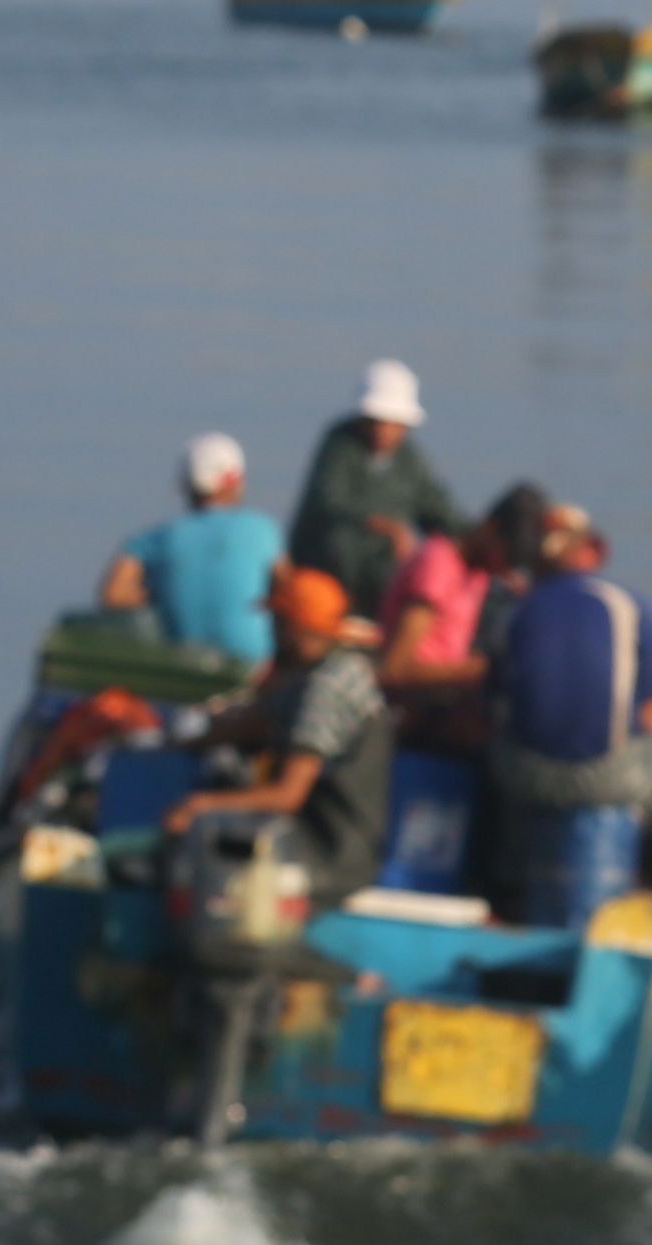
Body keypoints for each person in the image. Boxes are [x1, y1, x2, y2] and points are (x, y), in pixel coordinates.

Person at [487, 499, 652, 918]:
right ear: (593, 551)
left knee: (499, 740)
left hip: (528, 781)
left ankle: (505, 883)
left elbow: (499, 697)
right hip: (607, 780)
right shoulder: (629, 605)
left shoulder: (512, 613)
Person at [161, 565, 391, 896]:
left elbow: (288, 795)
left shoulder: (325, 689)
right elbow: (260, 722)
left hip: (330, 850)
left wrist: (199, 805)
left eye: (276, 621)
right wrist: (183, 742)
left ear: (290, 626)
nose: (269, 630)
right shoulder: (317, 674)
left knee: (189, 841)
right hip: (317, 836)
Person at [98, 433, 284, 670]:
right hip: (254, 670)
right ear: (233, 479)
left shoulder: (154, 540)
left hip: (186, 671)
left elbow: (113, 596)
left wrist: (158, 597)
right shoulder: (263, 530)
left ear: (183, 484)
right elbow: (289, 591)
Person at [289, 359, 460, 618]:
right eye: (376, 420)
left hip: (384, 581)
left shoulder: (410, 461)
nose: (383, 430)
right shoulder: (340, 445)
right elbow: (328, 500)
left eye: (392, 423)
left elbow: (440, 512)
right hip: (327, 576)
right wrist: (387, 526)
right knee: (341, 542)